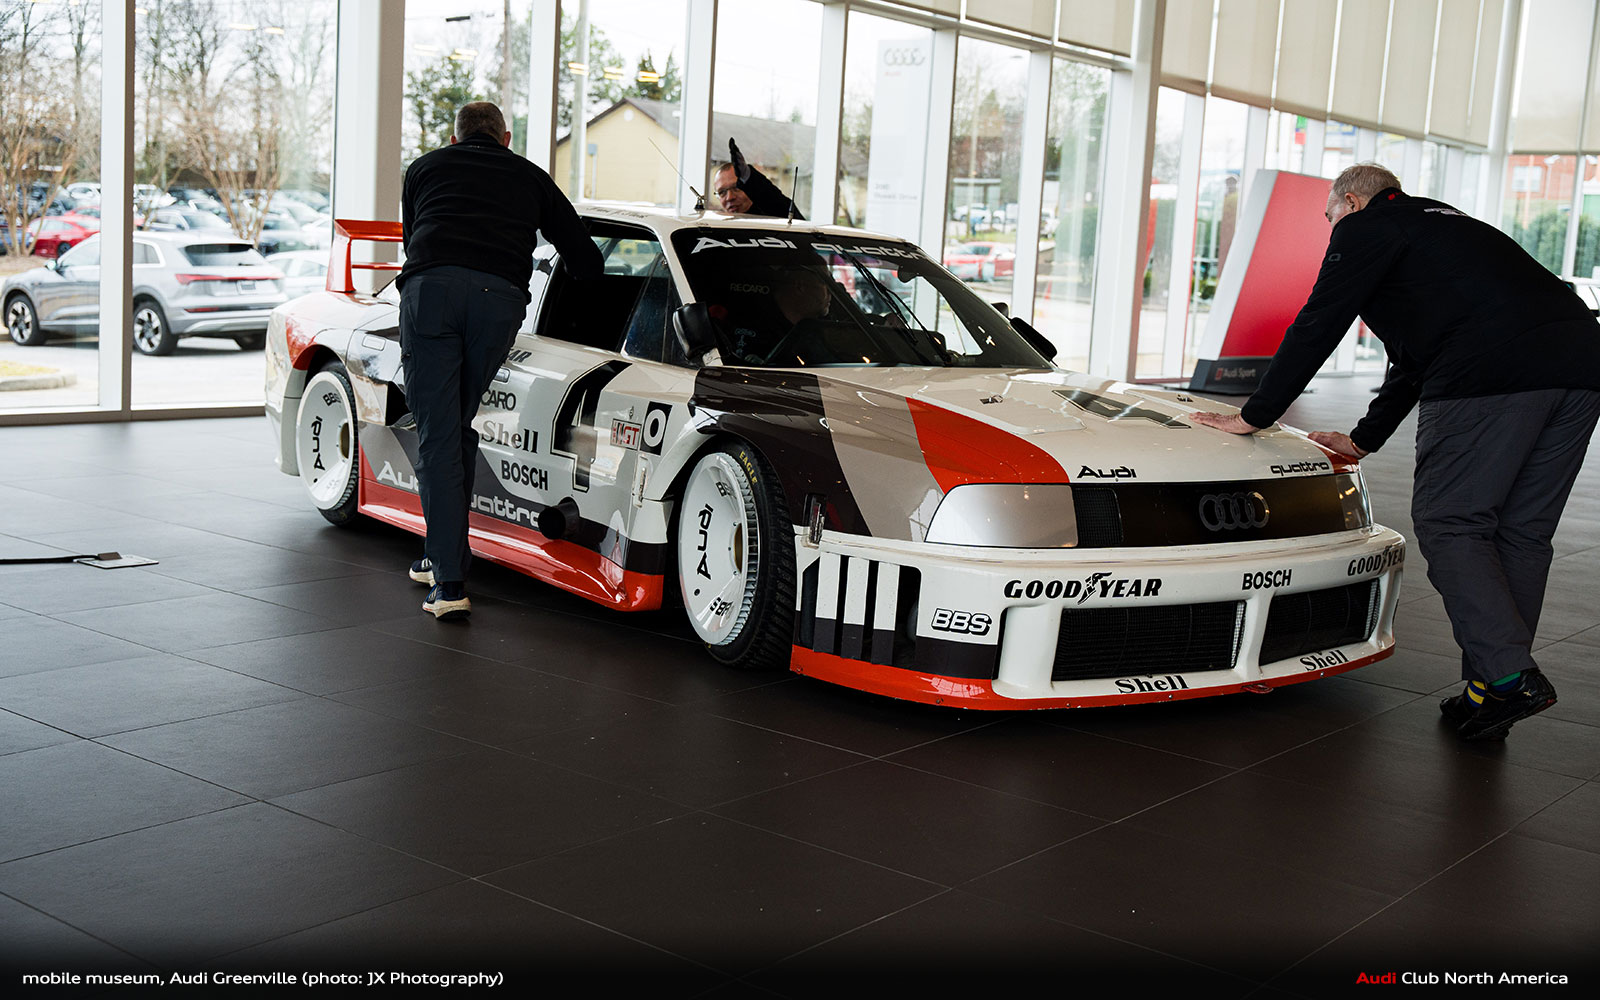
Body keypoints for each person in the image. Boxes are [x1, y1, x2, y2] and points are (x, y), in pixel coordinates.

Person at [1189, 162, 1600, 741]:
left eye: (1329, 216)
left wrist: (1255, 413)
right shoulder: (1448, 227)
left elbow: (1320, 320)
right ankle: (1490, 690)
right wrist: (1363, 439)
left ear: (1353, 202)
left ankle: (1510, 679)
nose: (1331, 228)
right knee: (1521, 534)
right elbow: (1413, 358)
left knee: (1451, 521)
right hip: (1583, 368)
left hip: (1489, 375)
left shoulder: (1366, 228)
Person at [397, 101, 602, 620]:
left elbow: (413, 242)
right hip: (498, 302)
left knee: (439, 433)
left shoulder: (424, 168)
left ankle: (448, 583)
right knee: (455, 428)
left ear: (454, 137)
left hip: (431, 294)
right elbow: (587, 262)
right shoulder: (530, 177)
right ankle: (442, 553)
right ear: (505, 138)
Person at [714, 138, 805, 219]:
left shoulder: (771, 216)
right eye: (722, 192)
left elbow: (777, 204)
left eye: (737, 188)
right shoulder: (715, 224)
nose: (729, 197)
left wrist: (747, 175)